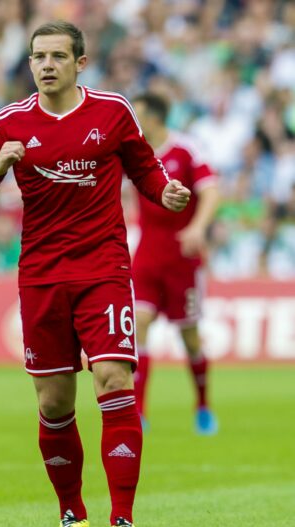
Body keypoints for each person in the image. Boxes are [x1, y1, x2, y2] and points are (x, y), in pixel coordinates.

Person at [0, 21, 190, 527]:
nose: (46, 65)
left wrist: (165, 193)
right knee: (55, 404)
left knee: (114, 380)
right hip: (41, 276)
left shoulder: (112, 110)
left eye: (58, 56)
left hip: (104, 269)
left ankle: (123, 519)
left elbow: (145, 169)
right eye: (39, 56)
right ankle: (71, 513)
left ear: (80, 63)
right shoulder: (9, 122)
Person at [131, 92, 220, 435]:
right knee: (139, 325)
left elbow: (211, 191)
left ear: (155, 117)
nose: (135, 122)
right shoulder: (134, 153)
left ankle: (202, 406)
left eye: (139, 115)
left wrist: (198, 227)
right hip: (147, 255)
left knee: (190, 338)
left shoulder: (186, 149)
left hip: (182, 257)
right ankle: (138, 412)